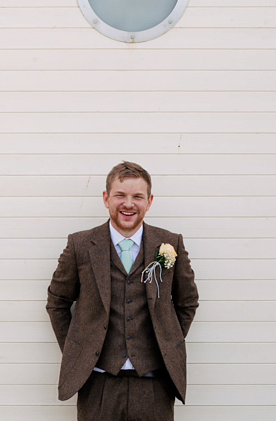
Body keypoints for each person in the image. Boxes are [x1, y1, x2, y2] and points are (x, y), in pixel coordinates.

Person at [46, 161, 198, 421]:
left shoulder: (170, 243)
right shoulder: (80, 245)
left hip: (154, 384)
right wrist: (81, 350)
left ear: (149, 201)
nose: (129, 204)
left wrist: (165, 340)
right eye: (120, 195)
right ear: (106, 199)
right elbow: (57, 303)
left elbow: (187, 302)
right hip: (98, 383)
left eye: (137, 196)